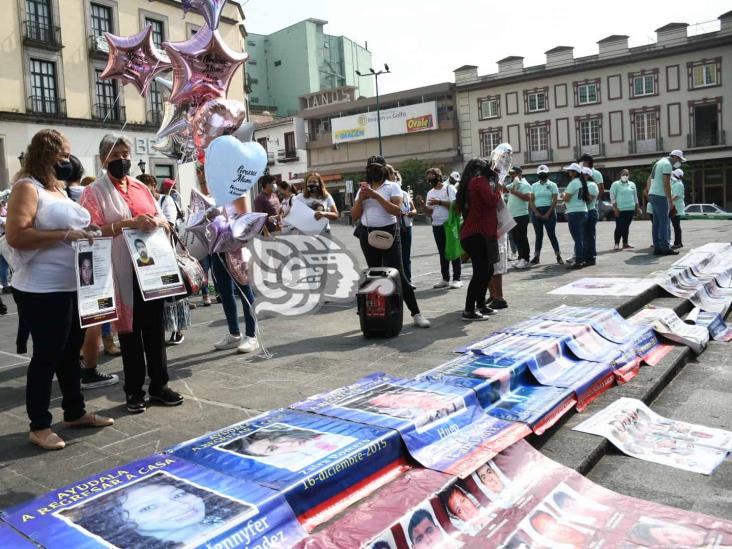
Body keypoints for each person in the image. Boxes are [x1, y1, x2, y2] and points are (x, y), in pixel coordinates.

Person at [5, 129, 114, 450]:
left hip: (71, 285)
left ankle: (75, 411)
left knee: (70, 353)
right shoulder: (27, 188)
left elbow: (68, 227)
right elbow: (16, 235)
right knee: (48, 355)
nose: (69, 160)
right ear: (48, 154)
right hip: (41, 288)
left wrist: (85, 231)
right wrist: (64, 235)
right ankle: (39, 425)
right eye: (64, 154)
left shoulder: (59, 189)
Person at [80, 133, 183, 414]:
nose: (122, 160)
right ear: (103, 161)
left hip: (150, 269)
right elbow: (91, 232)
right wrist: (127, 223)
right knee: (130, 333)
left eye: (125, 155)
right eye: (116, 156)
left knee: (154, 329)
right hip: (121, 270)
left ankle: (159, 386)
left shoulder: (140, 187)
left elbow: (161, 218)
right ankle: (134, 391)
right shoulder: (94, 192)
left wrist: (157, 222)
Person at [60, 475, 251, 548]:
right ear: (119, 524)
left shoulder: (236, 517)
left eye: (177, 495)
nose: (179, 506)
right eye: (148, 507)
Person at [352, 155, 430, 329]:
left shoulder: (392, 186)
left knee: (398, 275)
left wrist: (376, 196)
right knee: (374, 275)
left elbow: (397, 210)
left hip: (389, 234)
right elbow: (355, 215)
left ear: (384, 169)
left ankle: (416, 313)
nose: (373, 171)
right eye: (370, 168)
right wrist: (361, 199)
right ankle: (377, 314)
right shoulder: (362, 190)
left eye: (377, 168)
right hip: (368, 235)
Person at [456, 158, 501, 321]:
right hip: (477, 234)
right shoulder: (479, 181)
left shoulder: (469, 183)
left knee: (487, 270)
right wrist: (498, 189)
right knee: (480, 272)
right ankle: (469, 310)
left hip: (478, 233)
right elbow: (491, 200)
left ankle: (480, 305)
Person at [425, 167, 461, 289]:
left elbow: (456, 205)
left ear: (438, 176)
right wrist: (421, 204)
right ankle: (445, 278)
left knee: (453, 250)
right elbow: (429, 212)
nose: (430, 180)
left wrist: (439, 202)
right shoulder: (430, 193)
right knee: (442, 252)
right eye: (428, 178)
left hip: (449, 224)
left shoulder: (449, 188)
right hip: (436, 225)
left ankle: (457, 278)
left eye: (432, 177)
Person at [648, 150, 685, 256]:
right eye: (679, 160)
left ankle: (658, 248)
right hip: (660, 195)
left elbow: (651, 179)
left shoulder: (659, 162)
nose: (679, 162)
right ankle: (665, 247)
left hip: (653, 194)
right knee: (665, 223)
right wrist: (669, 200)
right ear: (675, 157)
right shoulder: (667, 165)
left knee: (656, 223)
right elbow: (666, 183)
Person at [529, 165, 562, 265]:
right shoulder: (534, 185)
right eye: (540, 174)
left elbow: (555, 200)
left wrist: (548, 213)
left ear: (548, 175)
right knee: (539, 235)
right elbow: (531, 201)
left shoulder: (553, 185)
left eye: (544, 174)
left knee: (551, 234)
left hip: (549, 211)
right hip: (536, 212)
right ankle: (536, 256)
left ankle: (558, 255)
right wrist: (536, 212)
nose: (542, 176)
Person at [390, 166, 417, 289]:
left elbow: (413, 208)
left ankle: (408, 280)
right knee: (395, 256)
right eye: (393, 177)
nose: (395, 179)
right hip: (394, 227)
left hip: (407, 225)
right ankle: (396, 282)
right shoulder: (388, 193)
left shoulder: (405, 194)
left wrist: (412, 212)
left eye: (397, 177)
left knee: (406, 255)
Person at [562, 163, 590, 270]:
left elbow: (567, 198)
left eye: (570, 171)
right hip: (583, 211)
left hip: (574, 212)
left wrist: (563, 195)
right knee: (581, 238)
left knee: (577, 239)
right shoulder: (582, 183)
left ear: (574, 173)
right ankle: (582, 259)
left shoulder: (573, 183)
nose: (568, 173)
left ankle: (578, 261)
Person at [505, 166, 532, 269]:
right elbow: (503, 189)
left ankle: (525, 259)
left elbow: (528, 198)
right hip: (514, 216)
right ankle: (521, 258)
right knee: (516, 238)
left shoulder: (524, 184)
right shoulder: (514, 183)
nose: (512, 175)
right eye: (511, 174)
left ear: (519, 173)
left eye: (513, 173)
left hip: (521, 215)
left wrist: (515, 192)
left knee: (522, 238)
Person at [609, 169, 640, 250]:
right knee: (619, 226)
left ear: (629, 175)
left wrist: (638, 208)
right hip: (620, 209)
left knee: (626, 227)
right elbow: (612, 197)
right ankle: (616, 243)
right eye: (623, 174)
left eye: (627, 174)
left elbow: (635, 196)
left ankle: (625, 243)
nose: (625, 176)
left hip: (630, 209)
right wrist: (615, 209)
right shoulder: (615, 184)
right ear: (620, 175)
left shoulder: (632, 184)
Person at [582, 166, 599, 266]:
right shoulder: (582, 184)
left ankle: (591, 257)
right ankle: (585, 256)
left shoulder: (592, 185)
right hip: (583, 212)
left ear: (588, 175)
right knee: (584, 236)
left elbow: (589, 200)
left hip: (590, 212)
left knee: (589, 236)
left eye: (583, 174)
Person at [670, 168, 685, 249]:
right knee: (675, 225)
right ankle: (678, 242)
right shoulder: (674, 182)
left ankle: (678, 243)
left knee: (676, 225)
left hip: (676, 207)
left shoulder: (679, 184)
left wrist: (668, 200)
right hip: (674, 206)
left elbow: (676, 196)